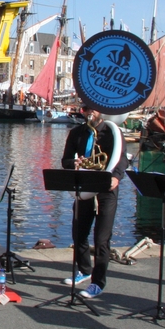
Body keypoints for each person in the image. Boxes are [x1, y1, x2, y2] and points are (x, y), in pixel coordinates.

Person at [60, 105, 127, 299]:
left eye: (94, 109)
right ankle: (85, 270)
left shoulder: (113, 131)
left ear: (101, 111)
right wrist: (75, 163)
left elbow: (122, 159)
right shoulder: (76, 133)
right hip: (84, 188)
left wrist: (116, 177)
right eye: (85, 109)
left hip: (107, 189)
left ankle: (98, 282)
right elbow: (65, 161)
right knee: (79, 234)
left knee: (101, 239)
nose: (90, 112)